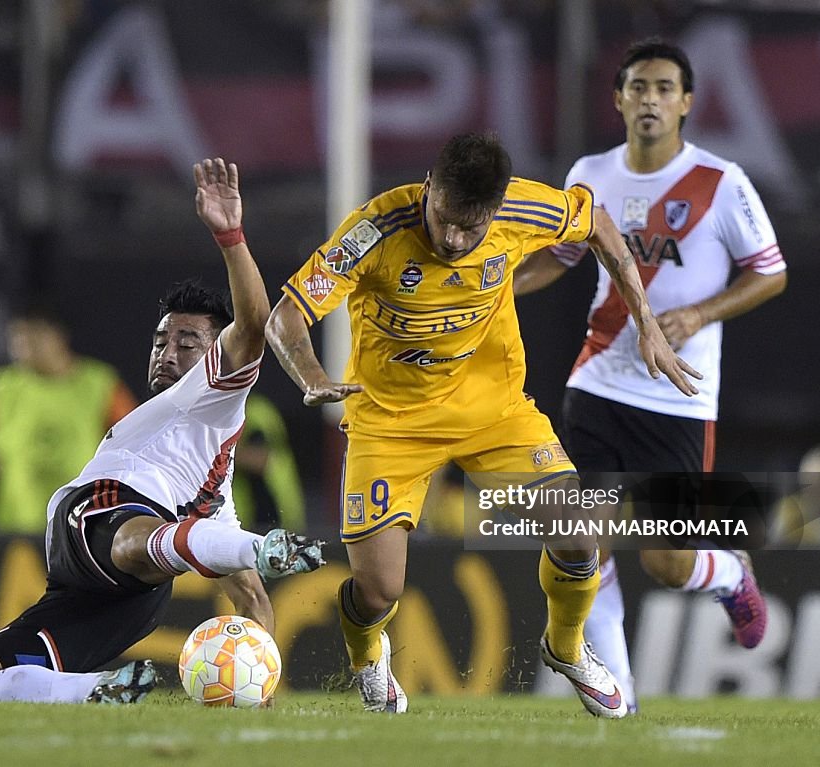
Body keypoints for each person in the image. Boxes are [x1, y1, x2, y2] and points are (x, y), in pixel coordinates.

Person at [266, 131, 700, 718]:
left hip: (492, 410)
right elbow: (286, 317)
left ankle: (567, 647)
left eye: (472, 228)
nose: (454, 239)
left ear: (495, 210)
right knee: (378, 591)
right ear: (428, 188)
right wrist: (310, 375)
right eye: (444, 219)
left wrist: (644, 319)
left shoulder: (524, 208)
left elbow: (597, 222)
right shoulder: (373, 232)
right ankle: (369, 656)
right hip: (390, 423)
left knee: (579, 534)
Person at [0, 158, 325, 705]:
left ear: (215, 355)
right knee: (146, 538)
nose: (168, 352)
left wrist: (262, 685)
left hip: (115, 595)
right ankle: (263, 546)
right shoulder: (183, 405)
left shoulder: (216, 461)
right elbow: (252, 328)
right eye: (161, 341)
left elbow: (252, 601)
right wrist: (256, 548)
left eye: (187, 343)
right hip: (91, 522)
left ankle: (97, 690)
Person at [513, 38, 787, 712]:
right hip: (597, 381)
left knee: (665, 561)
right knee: (583, 541)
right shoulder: (590, 172)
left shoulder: (722, 183)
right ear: (618, 99)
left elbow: (771, 272)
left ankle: (727, 571)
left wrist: (699, 313)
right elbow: (563, 256)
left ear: (687, 103)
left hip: (681, 397)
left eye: (665, 88)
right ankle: (620, 698)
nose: (650, 100)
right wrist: (499, 285)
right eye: (638, 87)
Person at [0, 302, 139, 533]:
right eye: (16, 339)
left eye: (30, 337)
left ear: (57, 336)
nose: (21, 347)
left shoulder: (99, 384)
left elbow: (137, 440)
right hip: (16, 524)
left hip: (83, 524)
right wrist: (7, 471)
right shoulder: (4, 388)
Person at [230, 393, 307, 534]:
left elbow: (260, 460)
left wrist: (214, 452)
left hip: (274, 512)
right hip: (244, 519)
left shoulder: (257, 412)